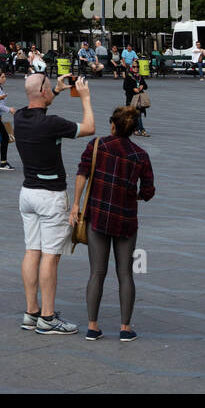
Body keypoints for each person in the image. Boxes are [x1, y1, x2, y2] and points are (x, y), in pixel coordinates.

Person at [13, 72, 95, 335]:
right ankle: (48, 318)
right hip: (50, 195)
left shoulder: (19, 117)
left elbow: (38, 103)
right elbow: (89, 127)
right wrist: (85, 98)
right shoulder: (53, 124)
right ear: (44, 91)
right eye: (49, 87)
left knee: (31, 251)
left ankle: (31, 311)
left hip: (28, 193)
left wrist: (56, 90)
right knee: (50, 256)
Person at [70, 106, 155, 342]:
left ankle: (92, 326)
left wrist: (76, 204)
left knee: (97, 272)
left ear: (113, 125)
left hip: (97, 216)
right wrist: (132, 194)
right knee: (125, 273)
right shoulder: (141, 155)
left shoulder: (97, 146)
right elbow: (148, 191)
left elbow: (81, 174)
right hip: (126, 219)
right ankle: (125, 328)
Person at [123, 62, 150, 136]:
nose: (136, 68)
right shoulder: (129, 76)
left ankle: (137, 129)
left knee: (137, 114)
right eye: (134, 67)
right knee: (135, 114)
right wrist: (133, 89)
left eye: (137, 67)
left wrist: (142, 86)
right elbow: (125, 87)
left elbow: (146, 86)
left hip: (139, 98)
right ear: (132, 68)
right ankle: (140, 129)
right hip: (131, 98)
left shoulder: (140, 77)